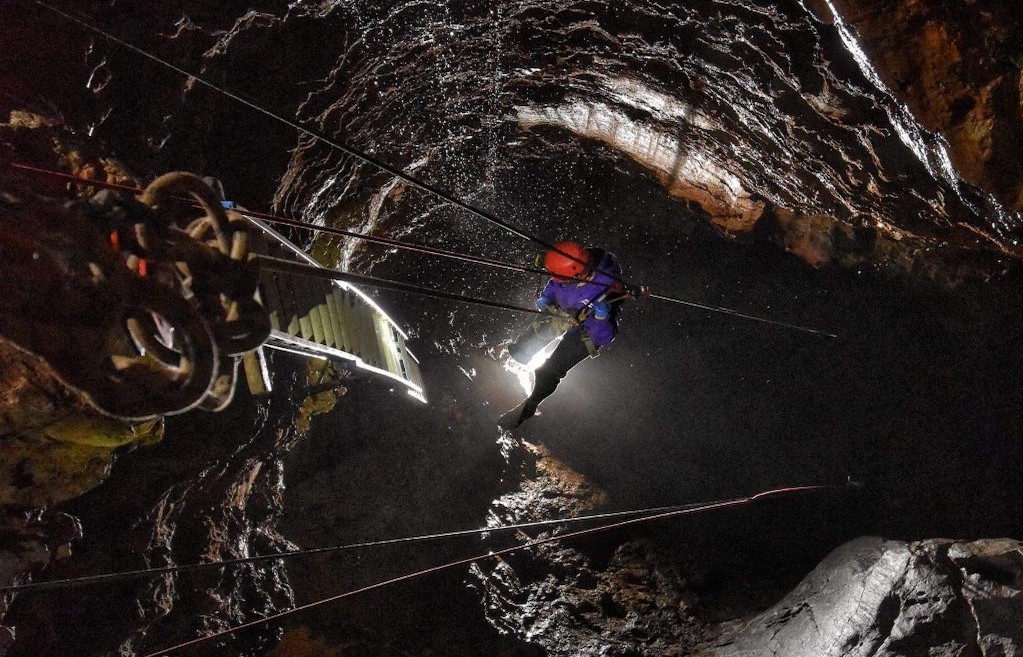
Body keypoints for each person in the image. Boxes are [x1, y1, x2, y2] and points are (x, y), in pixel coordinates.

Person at [498, 240, 647, 429]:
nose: (559, 281)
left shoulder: (607, 288)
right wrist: (546, 298)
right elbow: (556, 285)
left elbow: (605, 336)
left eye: (564, 280)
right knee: (528, 342)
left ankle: (529, 406)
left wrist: (601, 318)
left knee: (549, 370)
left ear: (578, 275)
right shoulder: (568, 269)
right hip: (568, 311)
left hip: (590, 329)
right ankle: (518, 354)